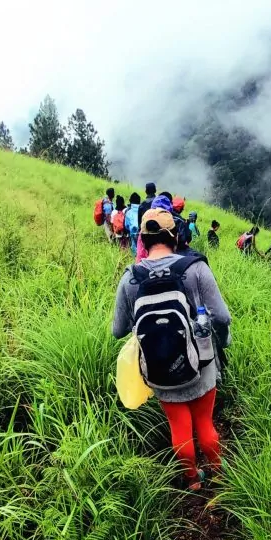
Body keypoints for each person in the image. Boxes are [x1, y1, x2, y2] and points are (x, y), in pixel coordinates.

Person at [112, 208, 232, 491]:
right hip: (201, 362)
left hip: (158, 367)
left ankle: (192, 480)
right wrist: (223, 342)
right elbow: (222, 317)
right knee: (205, 423)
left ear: (142, 238)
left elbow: (118, 330)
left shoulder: (130, 278)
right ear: (175, 235)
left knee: (179, 428)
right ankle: (217, 473)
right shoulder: (195, 268)